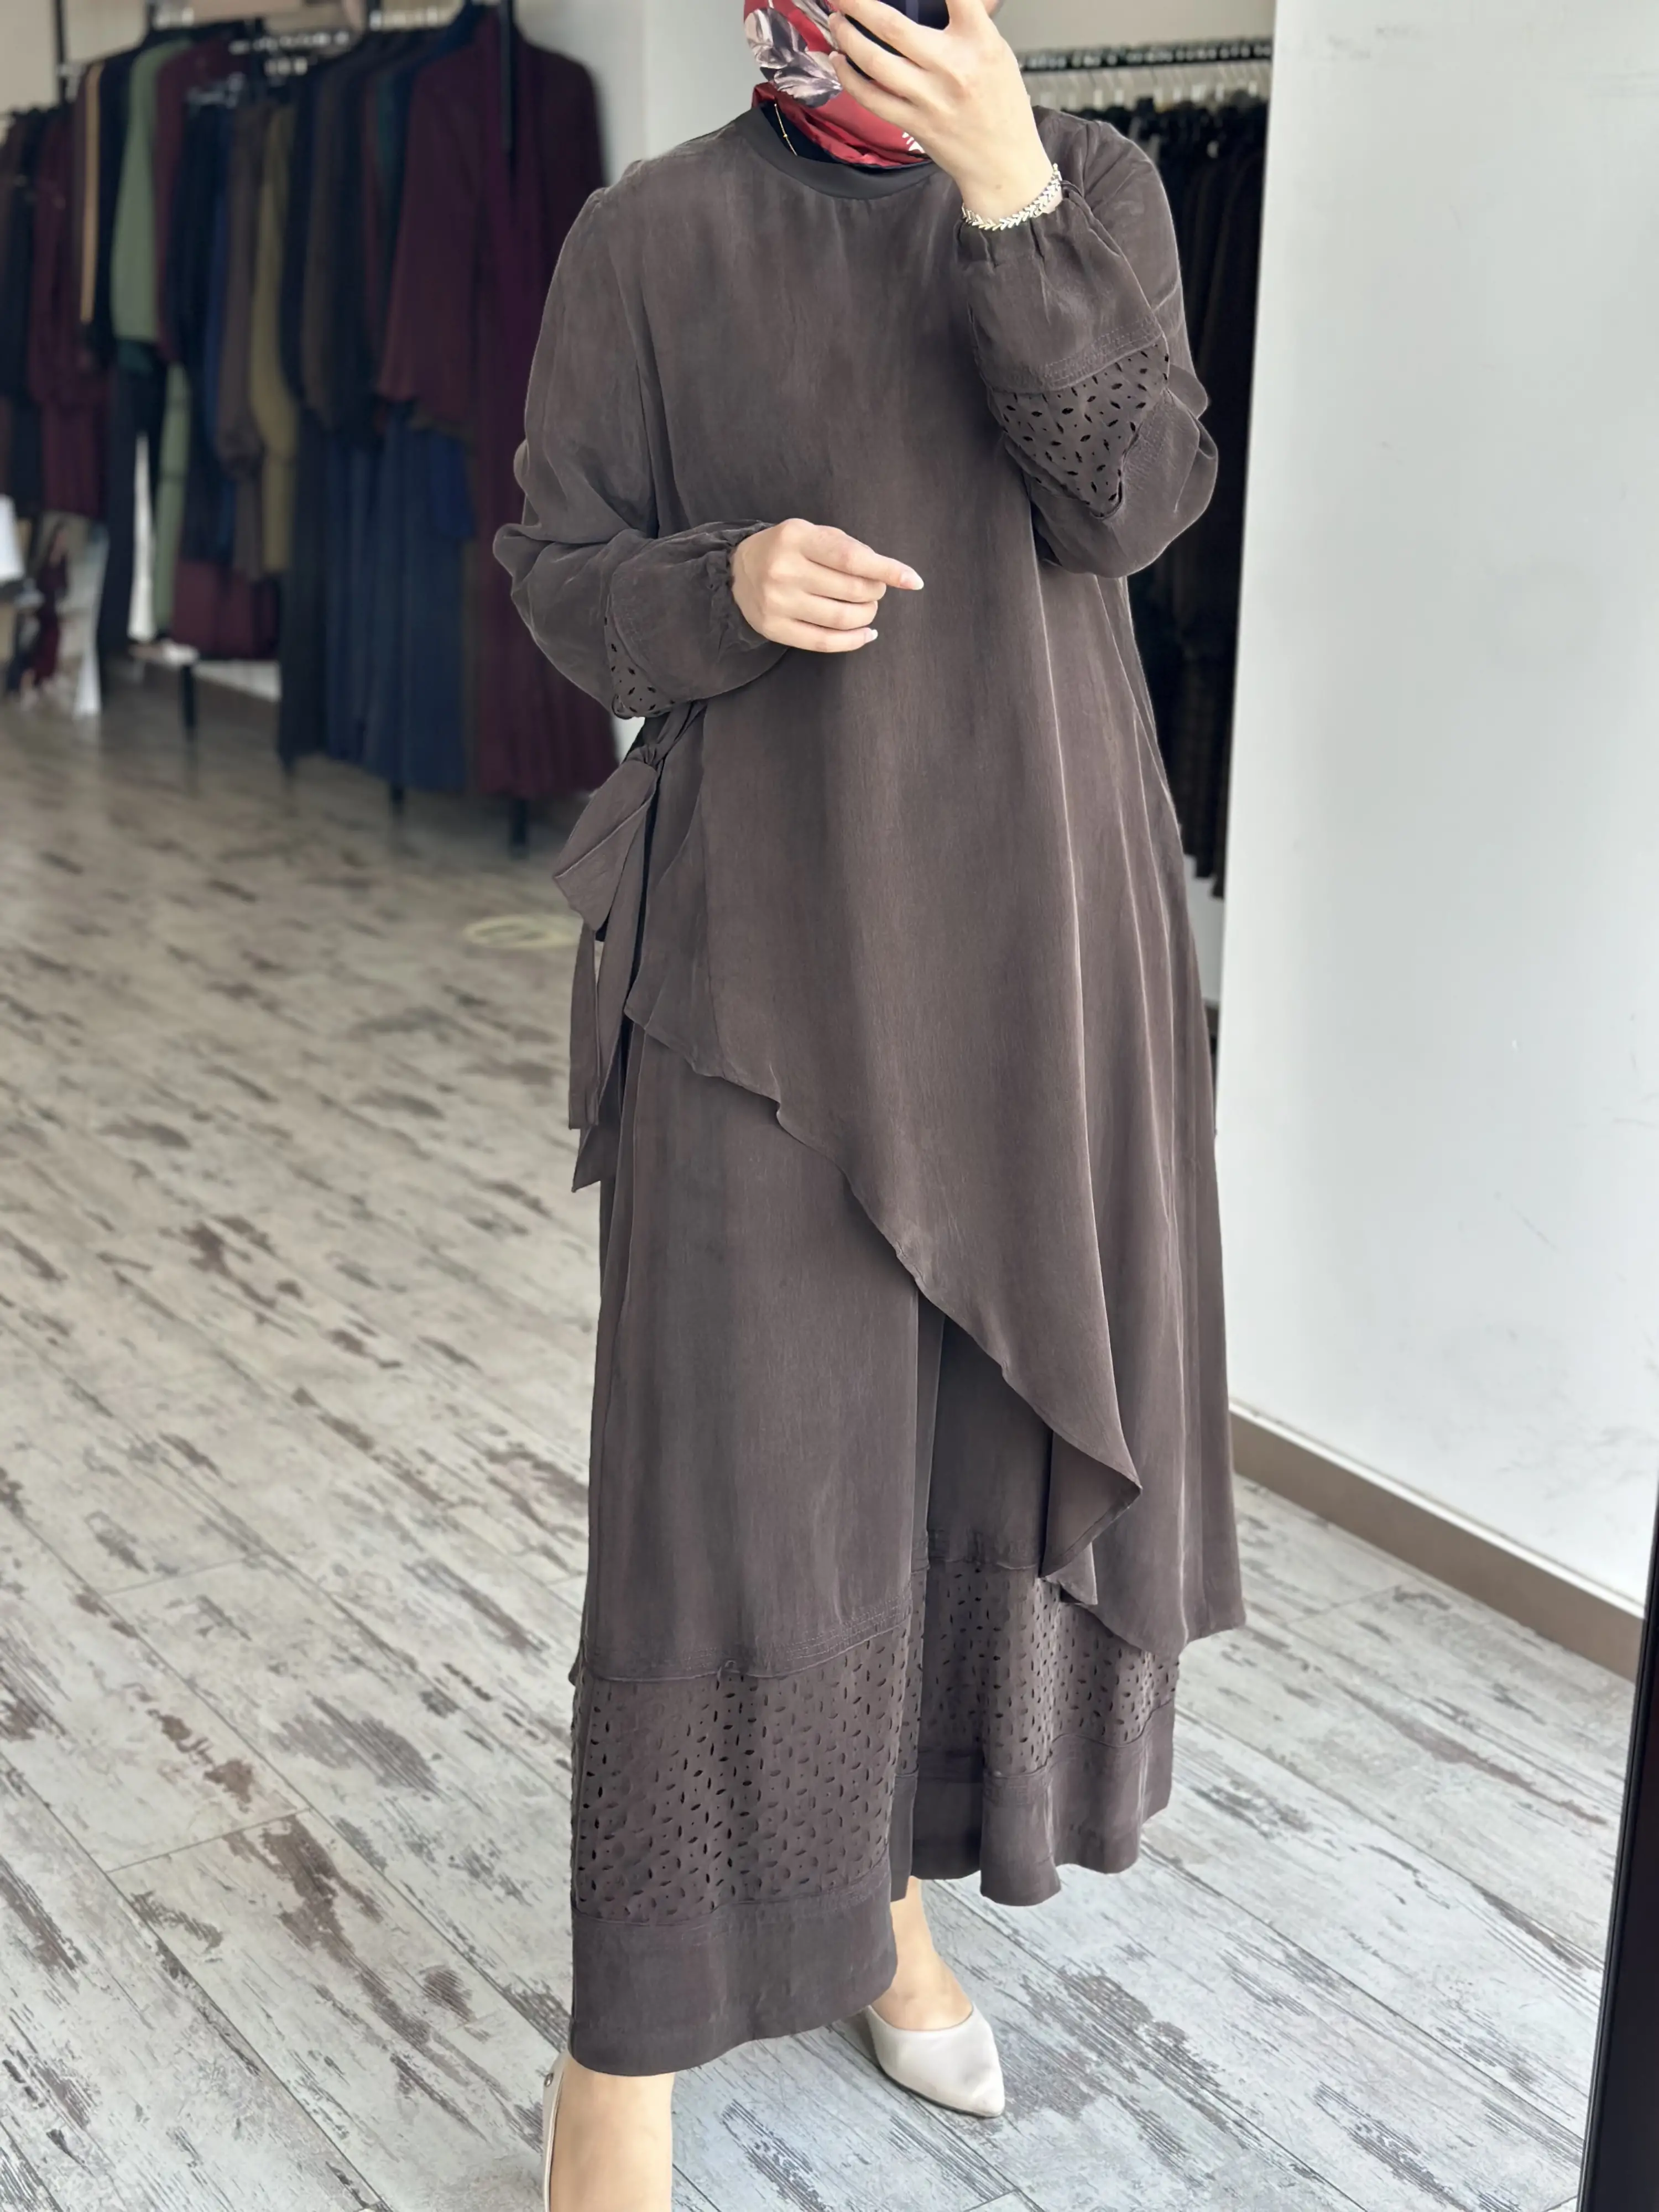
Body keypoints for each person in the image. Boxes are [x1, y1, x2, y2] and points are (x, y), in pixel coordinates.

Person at [495, 2, 1246, 2204]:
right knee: (730, 1477)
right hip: (761, 962)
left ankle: (889, 1903)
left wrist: (1010, 197)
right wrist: (717, 586)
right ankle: (630, 2039)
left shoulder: (1097, 193)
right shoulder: (649, 236)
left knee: (961, 1462)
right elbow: (558, 579)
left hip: (1039, 942)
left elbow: (1137, 504)